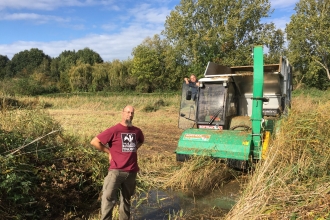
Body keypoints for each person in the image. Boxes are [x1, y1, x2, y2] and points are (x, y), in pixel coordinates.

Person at [90, 105, 144, 220]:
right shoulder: (114, 130)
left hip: (131, 172)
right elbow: (95, 142)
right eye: (128, 112)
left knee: (126, 200)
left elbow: (141, 141)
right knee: (108, 198)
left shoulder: (137, 131)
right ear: (122, 113)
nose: (130, 115)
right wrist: (108, 152)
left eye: (132, 113)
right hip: (116, 171)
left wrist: (134, 149)